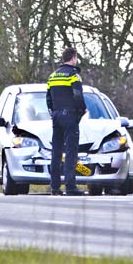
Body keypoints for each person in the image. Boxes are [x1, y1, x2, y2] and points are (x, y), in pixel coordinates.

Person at [47, 46, 87, 196]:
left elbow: (48, 99)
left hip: (56, 116)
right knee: (71, 152)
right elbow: (78, 96)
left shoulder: (52, 76)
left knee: (56, 152)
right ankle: (70, 186)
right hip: (70, 116)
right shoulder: (74, 75)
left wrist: (54, 112)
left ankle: (55, 187)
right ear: (74, 57)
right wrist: (82, 110)